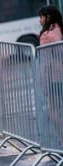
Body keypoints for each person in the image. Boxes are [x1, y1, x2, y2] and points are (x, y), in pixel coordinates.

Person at [38, 6, 63, 146]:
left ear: (48, 17)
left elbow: (45, 63)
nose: (39, 21)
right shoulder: (60, 29)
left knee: (53, 111)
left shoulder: (46, 36)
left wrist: (43, 82)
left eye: (41, 17)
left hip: (55, 78)